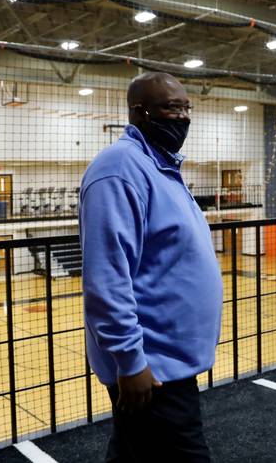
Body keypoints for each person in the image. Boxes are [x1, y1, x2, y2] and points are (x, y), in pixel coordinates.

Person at [79, 72, 223, 462]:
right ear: (140, 112)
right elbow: (106, 276)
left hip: (168, 360)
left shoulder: (159, 165)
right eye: (170, 107)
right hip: (153, 367)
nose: (182, 117)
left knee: (134, 452)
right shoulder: (119, 169)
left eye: (185, 107)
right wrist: (130, 361)